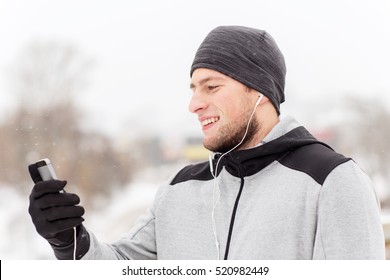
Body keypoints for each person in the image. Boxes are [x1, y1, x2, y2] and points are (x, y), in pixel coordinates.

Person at [28, 25, 385, 260]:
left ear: (259, 91)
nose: (194, 104)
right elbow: (121, 267)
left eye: (212, 87)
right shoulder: (181, 189)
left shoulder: (331, 181)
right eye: (194, 89)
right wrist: (68, 238)